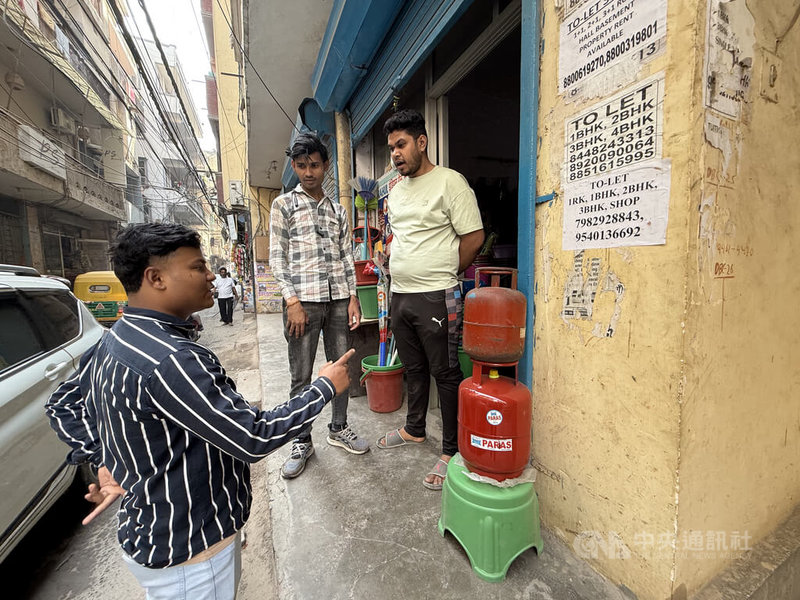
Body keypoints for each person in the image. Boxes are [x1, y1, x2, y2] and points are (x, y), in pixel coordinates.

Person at [46, 223, 354, 599]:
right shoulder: (172, 360)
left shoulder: (116, 338)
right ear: (155, 278)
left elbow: (62, 404)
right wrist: (324, 387)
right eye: (197, 266)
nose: (210, 275)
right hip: (190, 550)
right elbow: (253, 436)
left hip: (154, 533)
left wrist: (102, 459)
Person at [376, 109, 484, 490]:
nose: (395, 154)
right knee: (414, 367)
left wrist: (444, 271)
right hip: (401, 295)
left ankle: (451, 450)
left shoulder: (450, 183)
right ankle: (414, 428)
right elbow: (401, 237)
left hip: (437, 294)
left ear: (421, 142)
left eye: (401, 144)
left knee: (446, 372)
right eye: (391, 148)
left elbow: (473, 237)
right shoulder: (396, 191)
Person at [269, 132, 370, 479]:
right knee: (301, 375)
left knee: (341, 367)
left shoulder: (338, 210)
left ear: (326, 165)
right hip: (303, 303)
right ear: (294, 166)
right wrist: (291, 301)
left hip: (338, 300)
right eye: (301, 166)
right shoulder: (283, 205)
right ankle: (301, 440)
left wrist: (353, 297)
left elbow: (346, 257)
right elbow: (277, 257)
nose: (308, 172)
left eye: (314, 165)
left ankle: (338, 427)